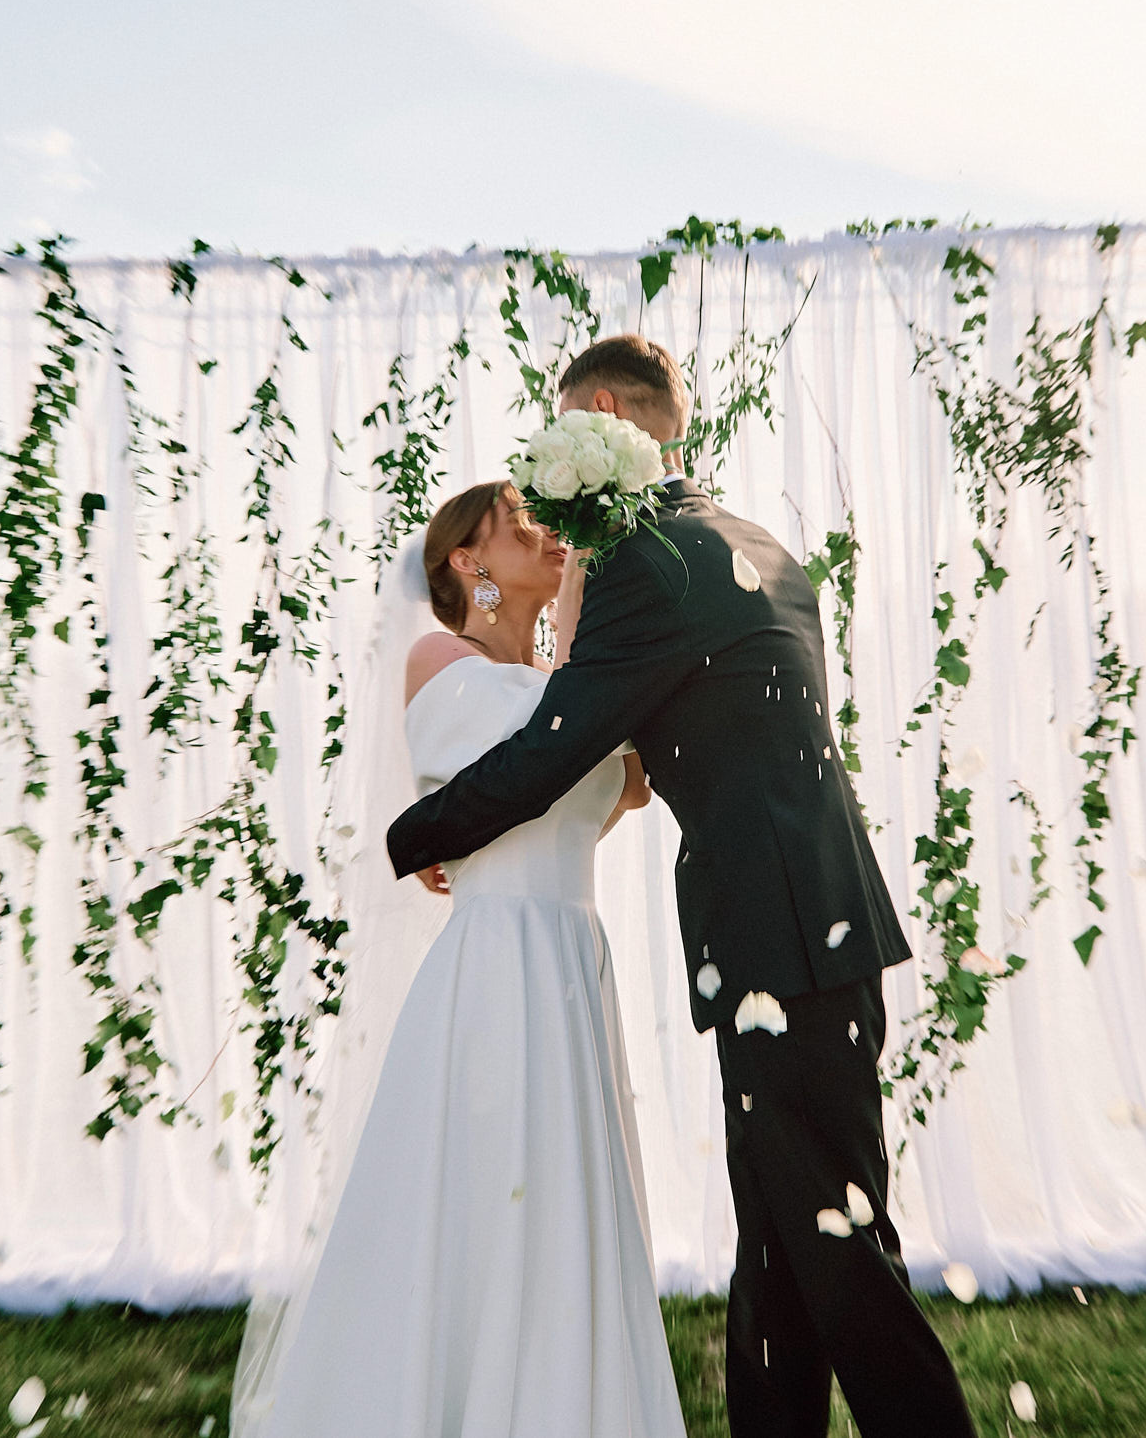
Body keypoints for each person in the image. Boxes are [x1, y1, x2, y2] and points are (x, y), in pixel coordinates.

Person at [388, 336, 978, 1438]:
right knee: (778, 1256)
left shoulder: (642, 563)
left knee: (839, 1255)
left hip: (780, 942)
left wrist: (412, 834)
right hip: (801, 931)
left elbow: (553, 749)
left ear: (599, 415)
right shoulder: (745, 539)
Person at [232, 479, 681, 1436]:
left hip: (571, 962)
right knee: (484, 1207)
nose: (550, 538)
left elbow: (631, 776)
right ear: (467, 565)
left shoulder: (569, 686)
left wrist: (581, 634)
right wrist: (579, 617)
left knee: (566, 1211)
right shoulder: (442, 658)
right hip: (499, 969)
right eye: (523, 527)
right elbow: (559, 741)